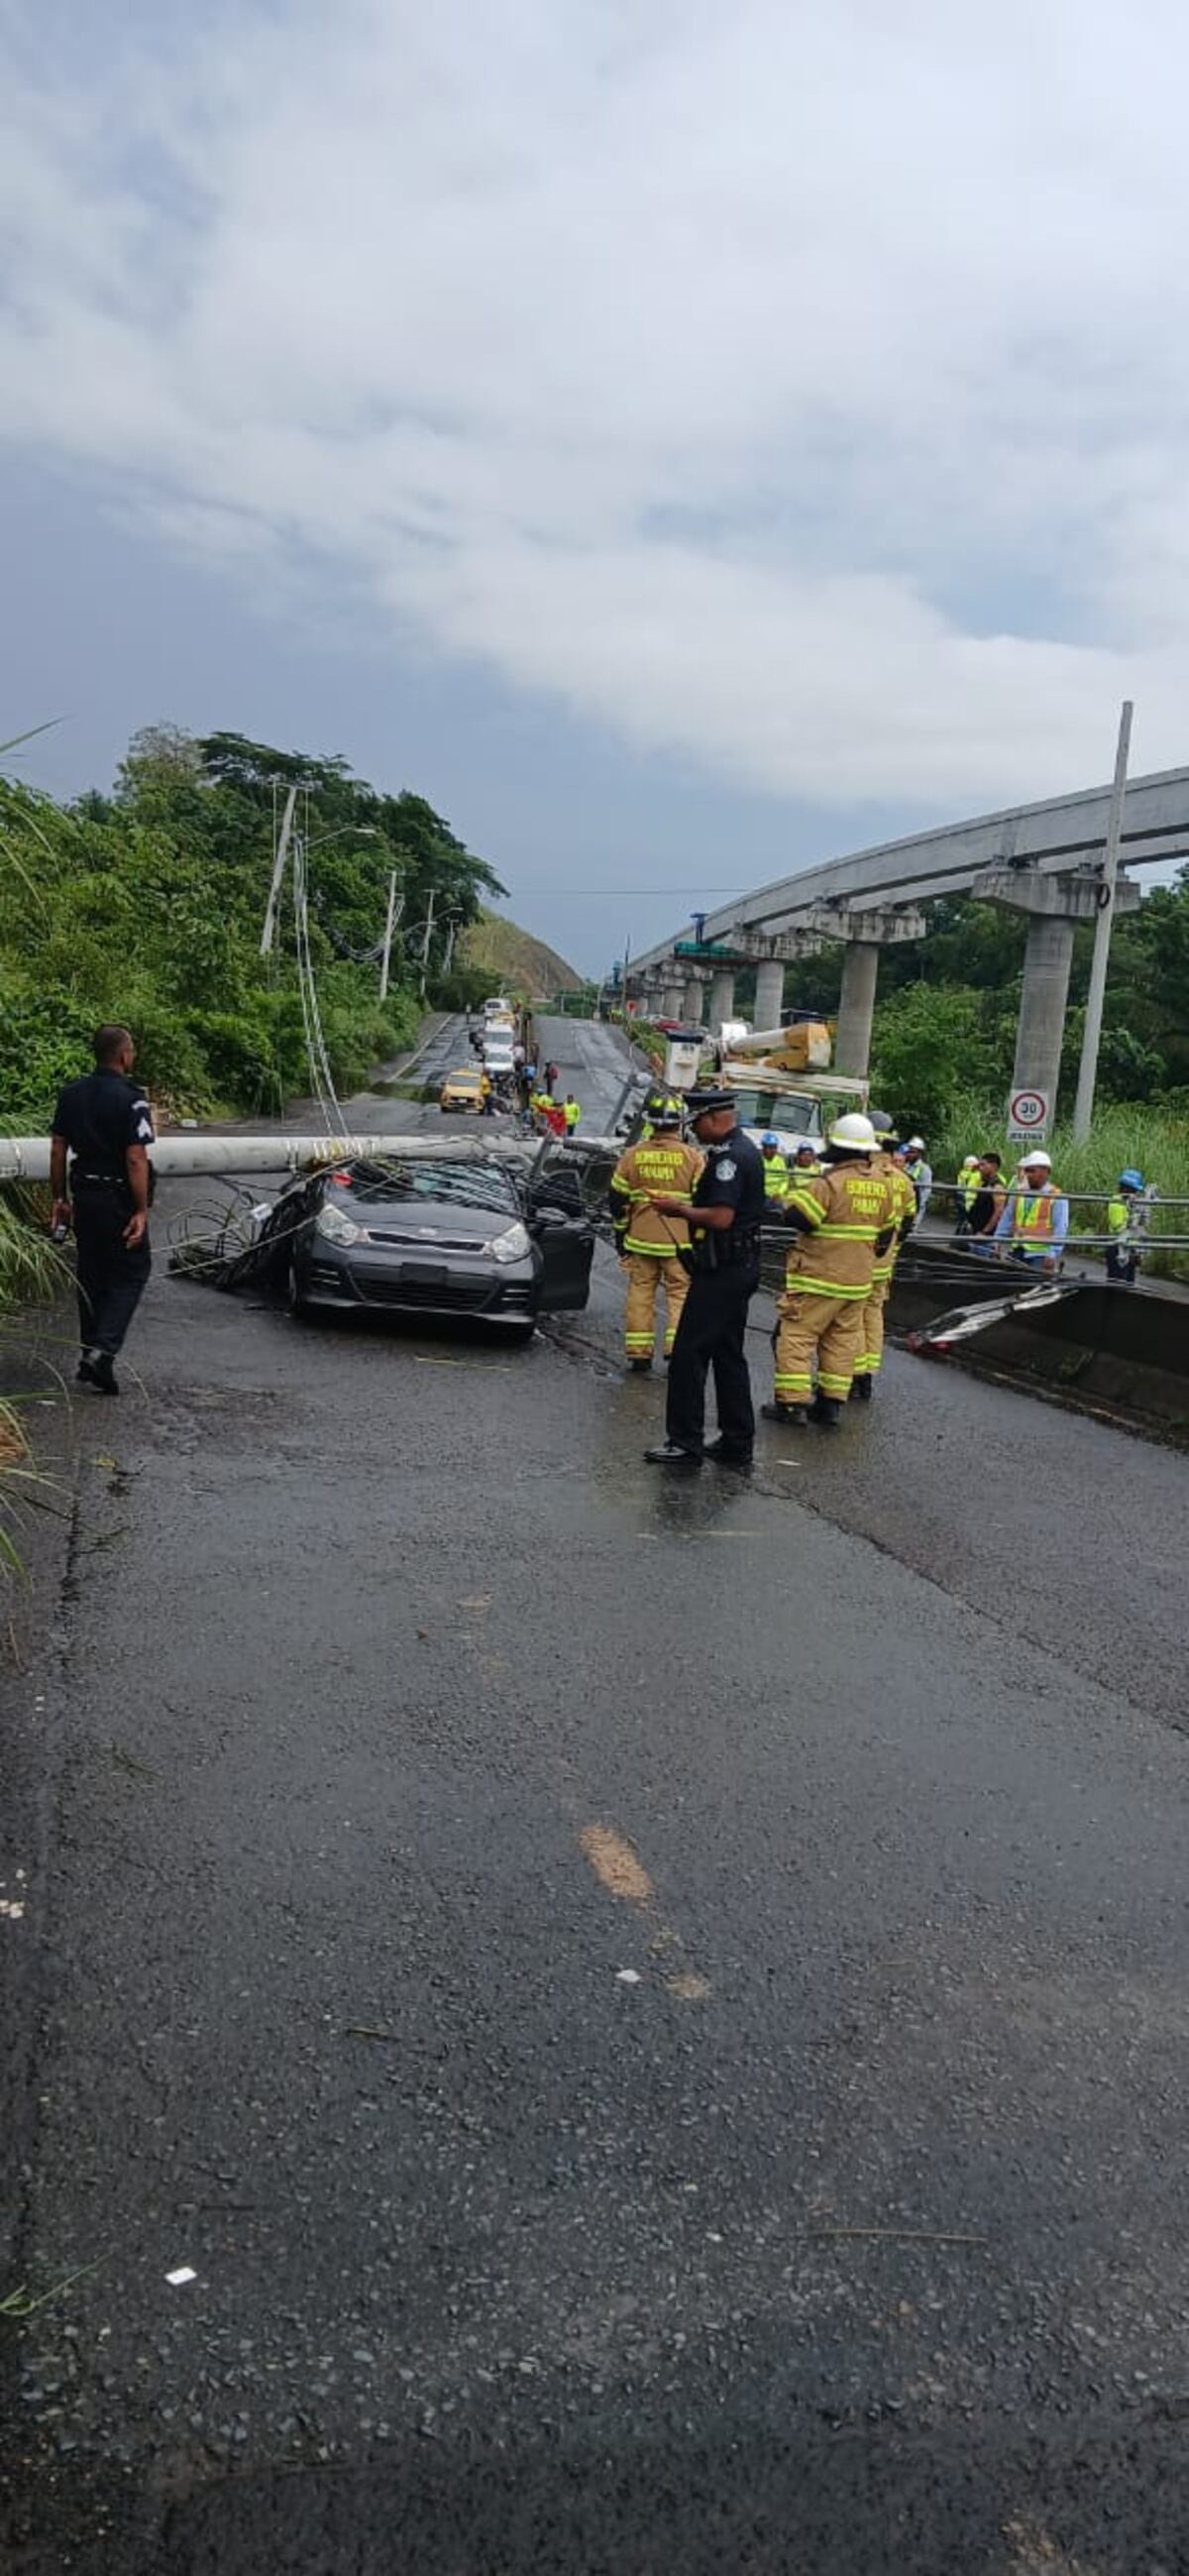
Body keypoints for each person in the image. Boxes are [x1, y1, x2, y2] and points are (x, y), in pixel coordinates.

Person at [642, 1086, 766, 1467]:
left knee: (688, 1353)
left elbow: (721, 1217)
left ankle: (684, 1442)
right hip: (738, 1265)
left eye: (696, 1122)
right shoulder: (745, 1151)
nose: (693, 1131)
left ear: (716, 1117)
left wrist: (677, 1209)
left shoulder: (730, 1159)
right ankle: (736, 1440)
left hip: (723, 1270)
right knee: (727, 1354)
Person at [763, 1112, 897, 1429]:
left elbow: (801, 1219)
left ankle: (792, 1405)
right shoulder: (883, 1185)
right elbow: (887, 1234)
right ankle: (830, 1405)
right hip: (857, 1282)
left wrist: (791, 1199)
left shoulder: (829, 1183)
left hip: (818, 1278)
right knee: (841, 1340)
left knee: (796, 1337)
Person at [50, 1024, 155, 1395]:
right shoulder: (132, 1098)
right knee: (132, 1270)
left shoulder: (71, 1094)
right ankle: (101, 1353)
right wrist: (141, 1210)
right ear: (124, 1056)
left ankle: (89, 1355)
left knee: (91, 1273)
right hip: (117, 1198)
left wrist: (60, 1199)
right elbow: (136, 1158)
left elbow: (58, 1149)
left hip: (84, 1195)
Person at [608, 1093, 704, 1371]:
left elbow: (617, 1200)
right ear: (679, 1124)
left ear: (650, 1122)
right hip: (679, 1243)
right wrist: (698, 1241)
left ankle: (639, 1353)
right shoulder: (693, 1157)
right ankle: (676, 1350)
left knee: (640, 1293)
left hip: (641, 1239)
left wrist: (620, 1235)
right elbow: (702, 1201)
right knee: (680, 1295)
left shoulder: (632, 1155)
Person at [851, 1131, 916, 1402]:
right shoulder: (904, 1181)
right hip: (886, 1260)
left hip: (862, 1258)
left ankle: (853, 1375)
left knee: (852, 1317)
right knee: (874, 1314)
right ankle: (868, 1375)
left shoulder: (865, 1177)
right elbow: (908, 1223)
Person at [992, 1149, 1068, 1274]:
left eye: (1032, 1171)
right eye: (1026, 1170)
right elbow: (1006, 1219)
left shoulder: (1056, 1197)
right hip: (1017, 1250)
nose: (1027, 1174)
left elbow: (1061, 1228)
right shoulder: (1018, 1194)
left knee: (1032, 1287)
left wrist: (1053, 1253)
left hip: (1039, 1255)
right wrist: (996, 1240)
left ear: (1045, 1172)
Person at [1106, 1170, 1145, 1285]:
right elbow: (1119, 1228)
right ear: (1126, 1188)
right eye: (1134, 1190)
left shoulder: (1129, 1203)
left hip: (1128, 1249)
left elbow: (1135, 1230)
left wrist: (1136, 1251)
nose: (1135, 1193)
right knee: (1116, 1284)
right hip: (1117, 1248)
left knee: (1128, 1285)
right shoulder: (1117, 1202)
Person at [966, 1152, 1006, 1254]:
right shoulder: (985, 1184)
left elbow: (999, 1212)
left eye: (983, 1165)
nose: (980, 1168)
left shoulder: (997, 1187)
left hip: (985, 1238)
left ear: (993, 1166)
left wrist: (985, 1232)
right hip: (975, 1234)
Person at [903, 1136, 932, 1218]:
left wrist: (918, 1206)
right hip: (904, 1205)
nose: (909, 1154)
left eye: (912, 1152)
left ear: (919, 1153)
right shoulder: (905, 1166)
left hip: (915, 1206)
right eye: (908, 1151)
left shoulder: (925, 1169)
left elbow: (926, 1190)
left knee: (911, 1229)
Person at [953, 1154, 982, 1234]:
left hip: (960, 1198)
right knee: (969, 1221)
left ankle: (957, 1236)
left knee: (961, 1220)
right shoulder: (976, 1175)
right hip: (970, 1201)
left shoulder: (961, 1173)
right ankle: (965, 1238)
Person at [759, 1133, 789, 1203]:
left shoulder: (780, 1161)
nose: (768, 1150)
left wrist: (779, 1193)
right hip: (761, 1196)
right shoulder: (758, 1160)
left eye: (772, 1147)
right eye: (766, 1147)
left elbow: (785, 1180)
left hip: (777, 1196)